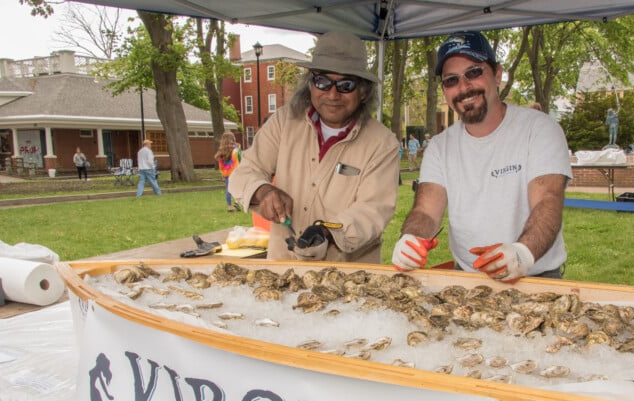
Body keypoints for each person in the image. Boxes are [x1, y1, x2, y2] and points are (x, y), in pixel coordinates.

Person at [392, 31, 571, 282]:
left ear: (497, 74)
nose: (464, 87)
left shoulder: (539, 129)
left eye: (474, 72)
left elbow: (547, 201)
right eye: (451, 80)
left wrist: (522, 253)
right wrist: (411, 238)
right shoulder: (440, 146)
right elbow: (426, 211)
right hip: (468, 277)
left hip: (536, 277)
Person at [228, 31, 399, 263]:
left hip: (348, 278)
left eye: (346, 85)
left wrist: (326, 232)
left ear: (363, 92)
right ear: (310, 84)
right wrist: (263, 191)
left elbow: (373, 210)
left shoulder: (383, 143)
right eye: (323, 82)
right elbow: (244, 172)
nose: (332, 94)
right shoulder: (283, 122)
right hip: (282, 272)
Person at [215, 131, 242, 211]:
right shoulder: (235, 149)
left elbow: (220, 165)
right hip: (235, 172)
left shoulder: (221, 151)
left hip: (227, 173)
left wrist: (223, 174)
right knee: (239, 187)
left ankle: (229, 206)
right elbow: (238, 158)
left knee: (228, 189)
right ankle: (237, 202)